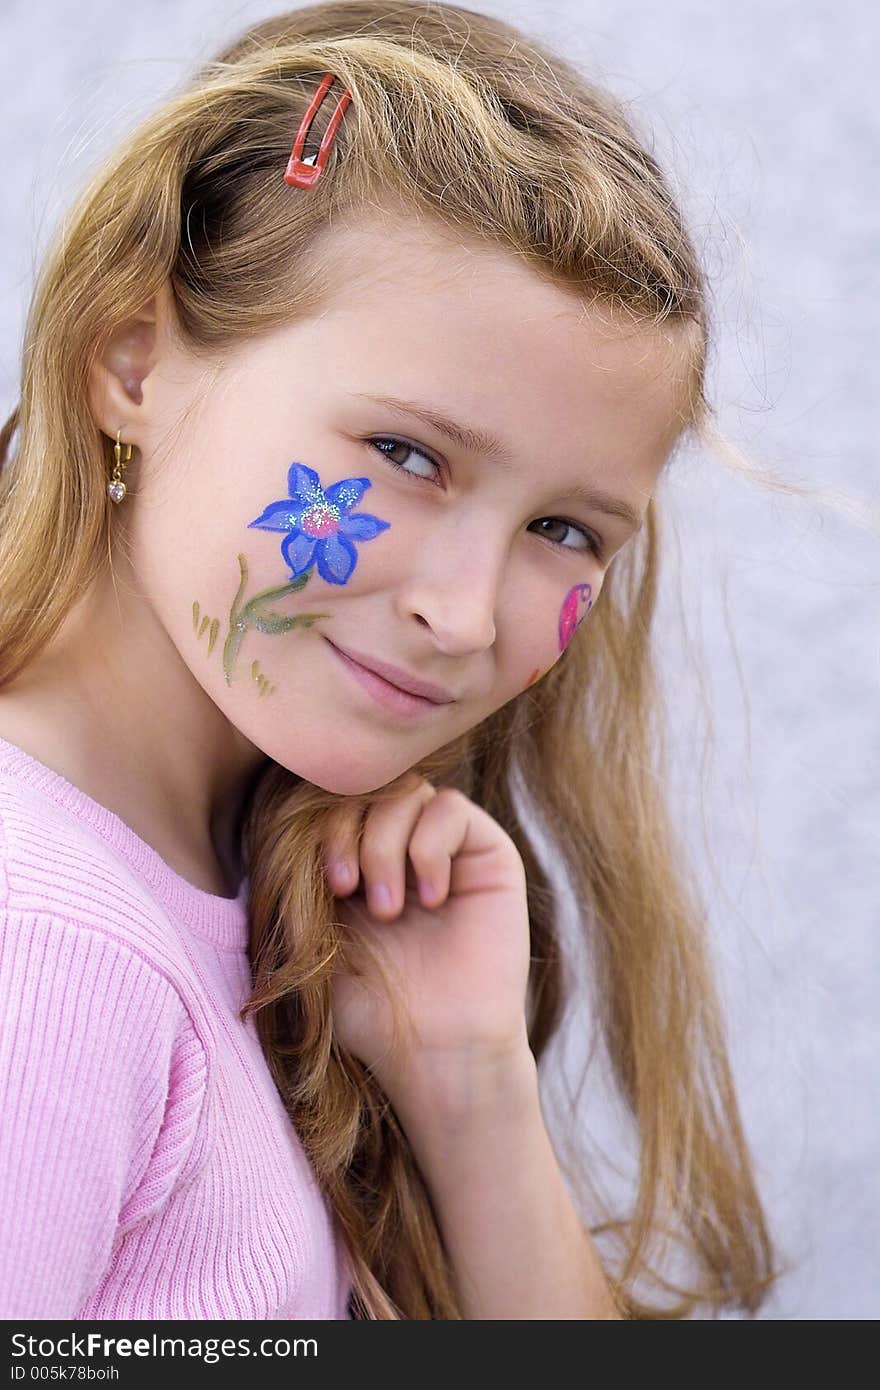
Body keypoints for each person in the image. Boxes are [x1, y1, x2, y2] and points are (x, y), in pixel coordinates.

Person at [0, 0, 788, 1320]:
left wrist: (469, 1086)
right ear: (132, 360)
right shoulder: (44, 946)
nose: (469, 613)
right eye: (409, 455)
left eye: (563, 528)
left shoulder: (256, 891)